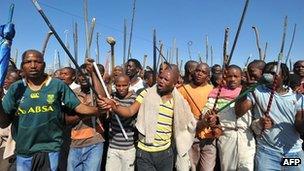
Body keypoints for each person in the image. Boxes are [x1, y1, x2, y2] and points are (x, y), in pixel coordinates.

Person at [0, 50, 104, 171]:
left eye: (37, 62)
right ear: (22, 66)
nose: (33, 65)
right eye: (28, 62)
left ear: (43, 65)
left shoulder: (57, 85)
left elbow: (79, 107)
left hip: (50, 149)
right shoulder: (15, 88)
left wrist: (98, 110)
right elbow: (3, 123)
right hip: (24, 151)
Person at [98, 67, 196, 171]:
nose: (161, 81)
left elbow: (188, 124)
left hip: (165, 152)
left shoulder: (178, 102)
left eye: (166, 80)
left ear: (174, 83)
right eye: (160, 77)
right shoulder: (146, 93)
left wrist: (205, 121)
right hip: (144, 152)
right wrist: (113, 106)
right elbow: (130, 111)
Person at [235, 62, 304, 171]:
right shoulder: (257, 91)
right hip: (267, 154)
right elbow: (239, 112)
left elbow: (300, 127)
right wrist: (245, 89)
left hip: (293, 153)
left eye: (273, 73)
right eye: (266, 73)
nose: (268, 76)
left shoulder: (297, 97)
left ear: (284, 76)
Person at [204, 65, 255, 171]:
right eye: (229, 76)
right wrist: (209, 116)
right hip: (226, 136)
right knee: (227, 167)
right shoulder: (217, 92)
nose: (232, 79)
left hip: (246, 137)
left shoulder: (249, 92)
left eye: (236, 76)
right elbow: (208, 109)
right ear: (225, 77)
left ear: (241, 77)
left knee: (246, 167)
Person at [66, 64, 105, 171]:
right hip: (75, 143)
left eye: (86, 74)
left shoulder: (97, 91)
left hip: (94, 143)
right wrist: (88, 110)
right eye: (80, 75)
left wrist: (93, 73)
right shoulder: (72, 93)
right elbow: (67, 120)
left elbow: (103, 101)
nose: (83, 77)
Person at [178, 63, 214, 171]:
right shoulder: (183, 89)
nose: (199, 74)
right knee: (191, 167)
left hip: (209, 137)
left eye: (203, 72)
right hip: (191, 137)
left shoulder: (213, 90)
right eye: (198, 70)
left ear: (208, 76)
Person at [105, 74, 138, 171]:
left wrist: (117, 108)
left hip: (129, 147)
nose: (121, 88)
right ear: (115, 85)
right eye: (118, 85)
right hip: (113, 146)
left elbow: (130, 113)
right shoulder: (111, 97)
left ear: (129, 84)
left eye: (124, 85)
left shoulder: (135, 99)